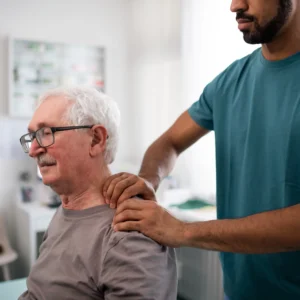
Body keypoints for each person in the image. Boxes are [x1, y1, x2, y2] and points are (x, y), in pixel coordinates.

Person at [102, 0, 300, 299]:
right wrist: (147, 179)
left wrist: (182, 231)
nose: (235, 5)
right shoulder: (229, 82)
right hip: (239, 291)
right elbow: (169, 143)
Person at [18, 86, 177, 300]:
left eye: (46, 133)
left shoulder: (129, 235)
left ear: (96, 140)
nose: (33, 150)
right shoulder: (66, 210)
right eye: (32, 136)